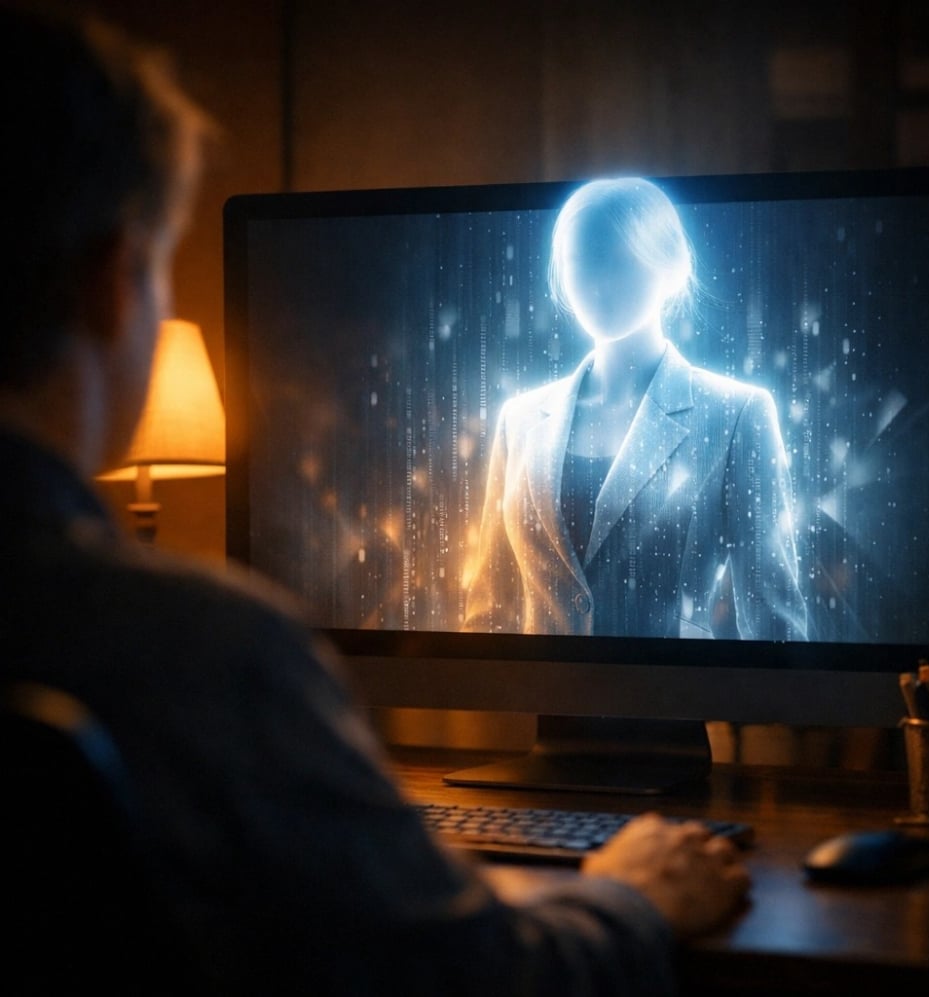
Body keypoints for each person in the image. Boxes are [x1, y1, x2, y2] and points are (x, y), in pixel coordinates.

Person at [0, 7, 749, 995]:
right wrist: (633, 894)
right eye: (156, 274)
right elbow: (476, 978)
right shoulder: (212, 654)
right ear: (109, 282)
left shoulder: (734, 415)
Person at [464, 177, 808, 641]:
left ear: (668, 267)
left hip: (668, 703)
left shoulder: (737, 413)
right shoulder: (520, 420)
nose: (597, 283)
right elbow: (489, 609)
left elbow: (774, 621)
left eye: (619, 260)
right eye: (580, 263)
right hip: (540, 707)